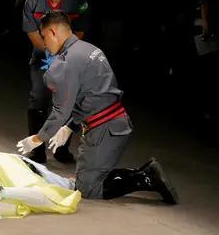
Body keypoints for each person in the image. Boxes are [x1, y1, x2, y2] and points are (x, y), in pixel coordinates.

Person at [17, 10, 179, 204]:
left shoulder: (64, 64)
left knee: (88, 188)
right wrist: (70, 127)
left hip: (103, 131)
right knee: (84, 178)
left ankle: (144, 177)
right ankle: (141, 173)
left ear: (52, 32)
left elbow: (60, 111)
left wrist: (37, 139)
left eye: (44, 37)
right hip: (117, 122)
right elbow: (94, 94)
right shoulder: (90, 50)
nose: (44, 43)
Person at [23, 0, 90, 164]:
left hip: (69, 57)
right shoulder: (33, 0)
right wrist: (50, 53)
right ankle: (37, 149)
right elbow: (32, 34)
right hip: (42, 56)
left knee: (67, 101)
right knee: (38, 98)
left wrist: (63, 55)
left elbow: (79, 31)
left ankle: (61, 148)